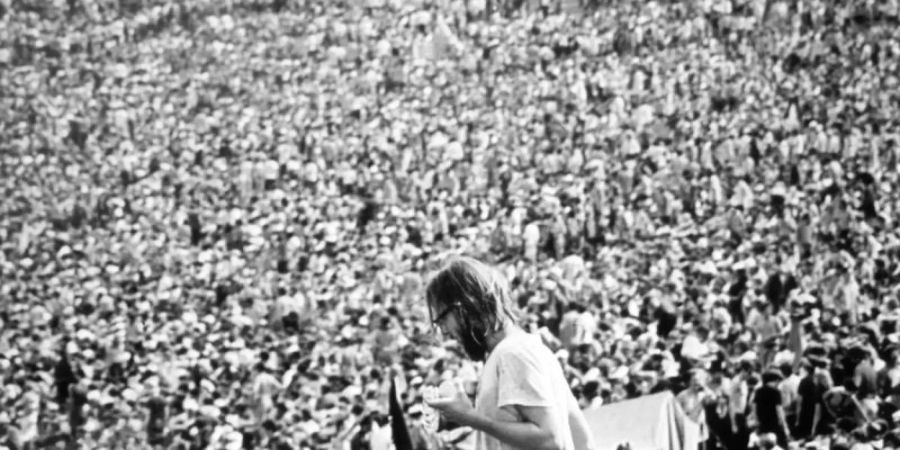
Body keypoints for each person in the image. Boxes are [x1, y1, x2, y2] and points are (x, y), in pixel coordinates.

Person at [424, 256, 595, 450]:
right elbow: (581, 437)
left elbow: (549, 439)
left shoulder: (511, 354)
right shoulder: (528, 348)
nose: (445, 331)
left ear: (464, 307)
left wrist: (471, 418)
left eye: (442, 319)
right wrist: (460, 417)